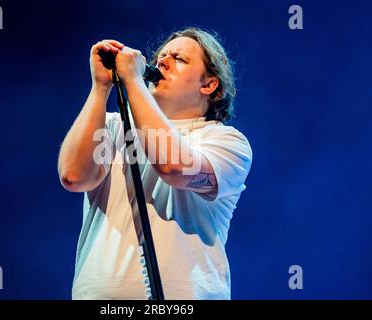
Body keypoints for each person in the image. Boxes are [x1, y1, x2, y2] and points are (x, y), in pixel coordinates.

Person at [58, 27, 252, 300]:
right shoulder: (113, 126)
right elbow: (74, 177)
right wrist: (100, 87)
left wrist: (134, 81)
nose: (162, 62)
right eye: (161, 57)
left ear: (208, 85)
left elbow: (173, 167)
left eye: (179, 59)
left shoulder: (226, 141)